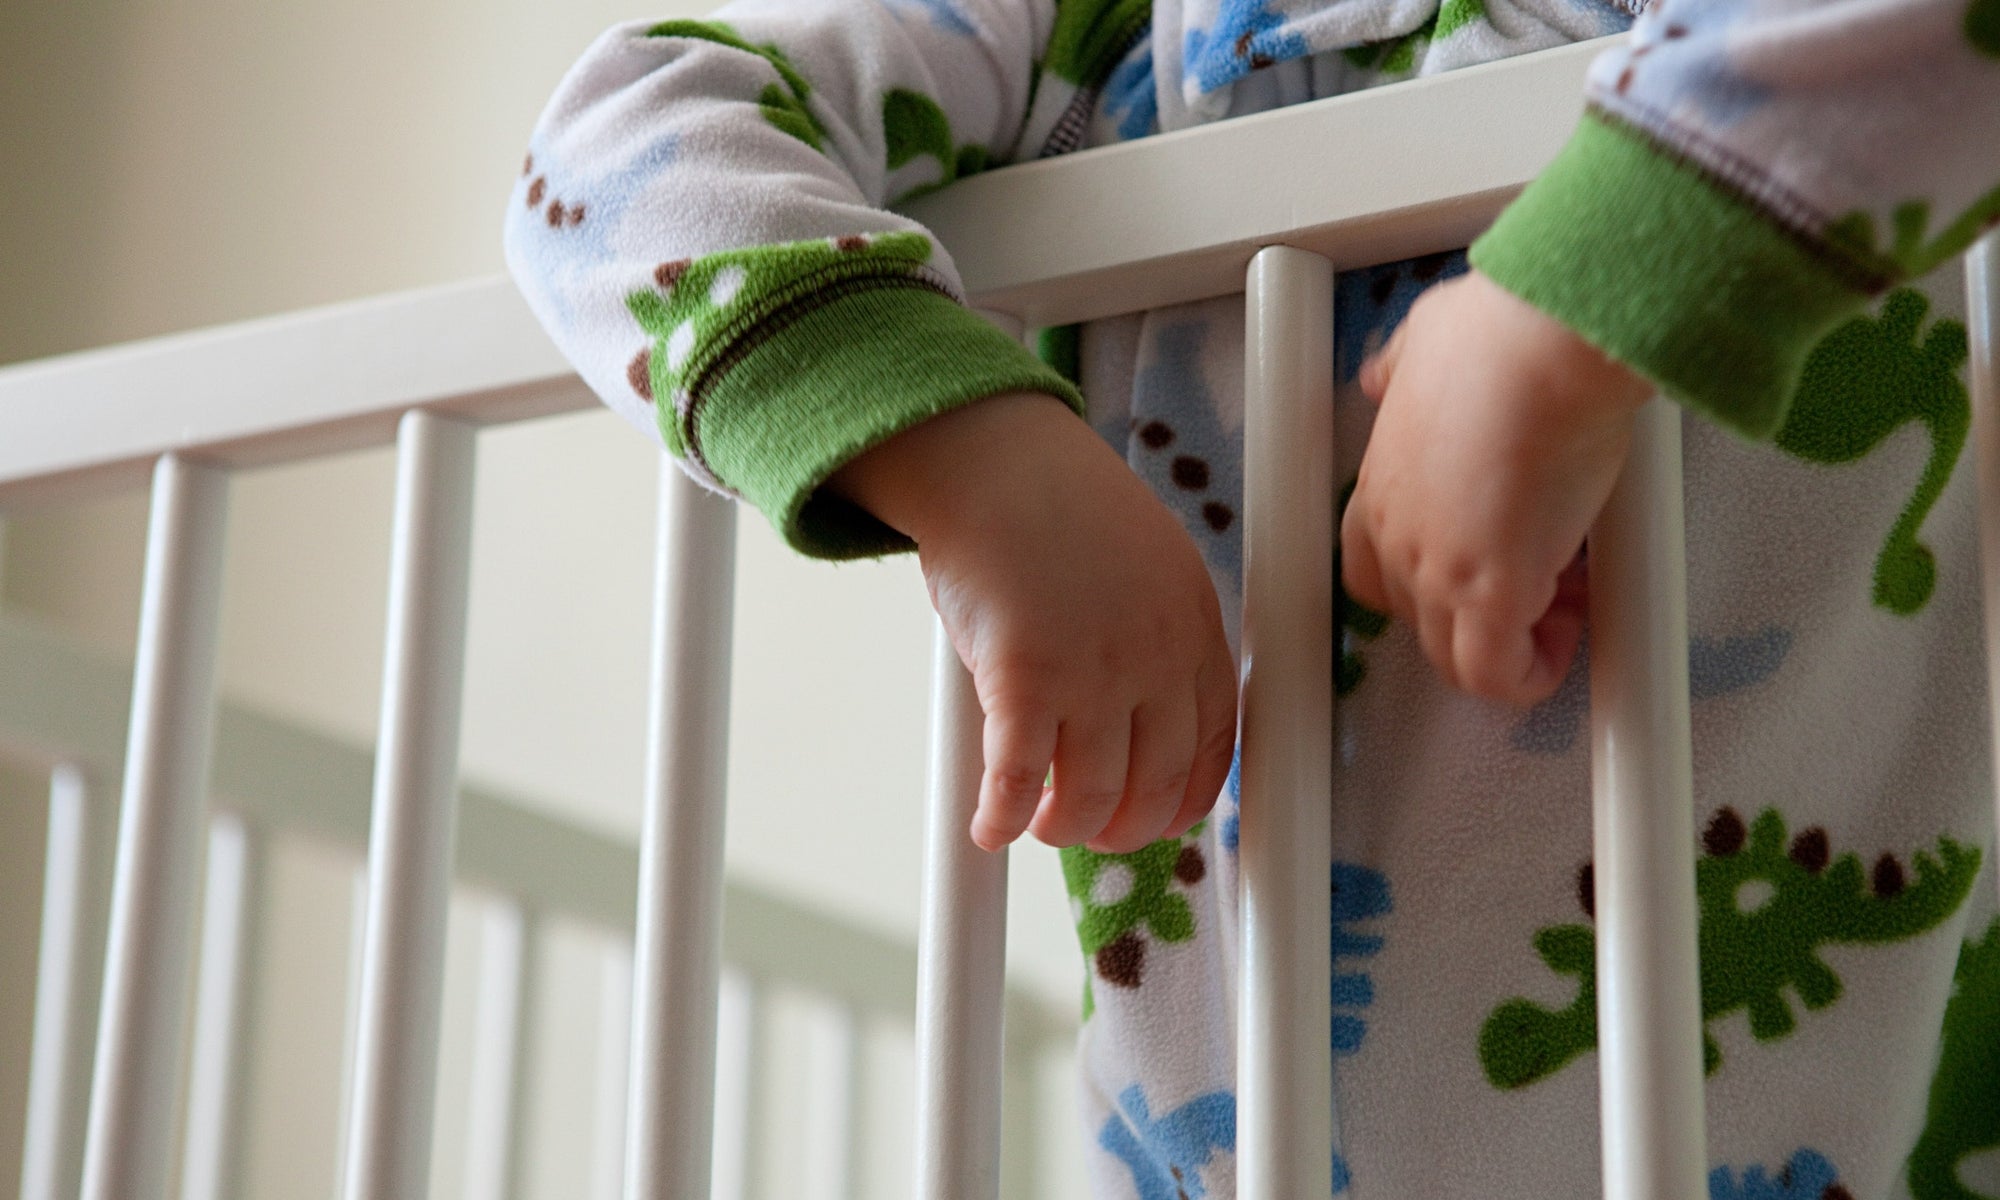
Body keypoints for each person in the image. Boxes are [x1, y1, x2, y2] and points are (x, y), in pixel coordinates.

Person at [505, 0, 2000, 1190]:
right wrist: (979, 462)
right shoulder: (1079, 34)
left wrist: (1570, 317)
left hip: (1855, 1119)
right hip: (1223, 1137)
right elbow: (619, 143)